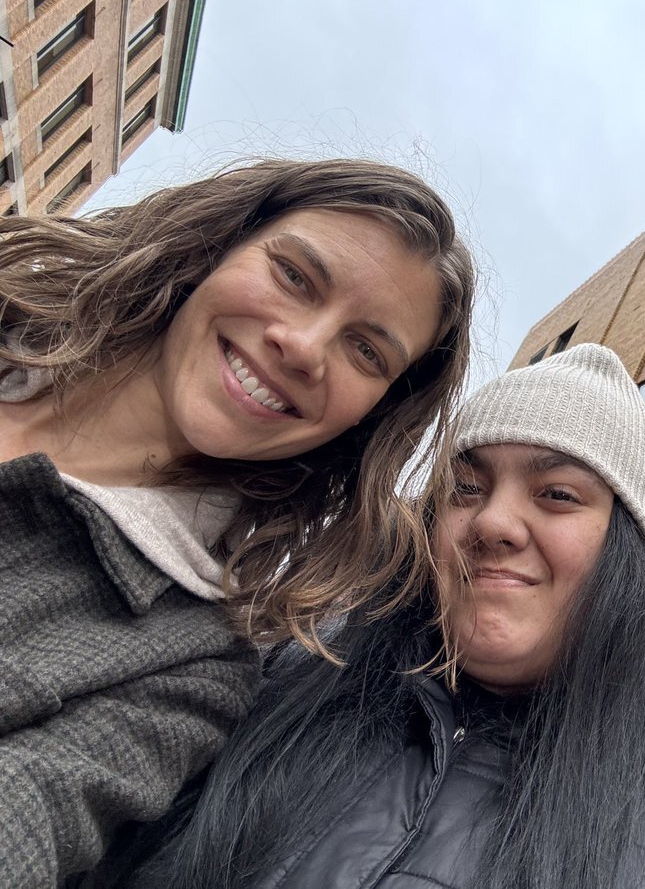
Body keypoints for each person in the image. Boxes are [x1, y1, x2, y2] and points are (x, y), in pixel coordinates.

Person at [108, 343, 645, 889]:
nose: (491, 521)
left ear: (627, 555)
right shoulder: (276, 684)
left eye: (556, 493)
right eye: (465, 487)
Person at [0, 158, 476, 886]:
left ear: (371, 416)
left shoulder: (191, 663)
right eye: (295, 276)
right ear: (219, 242)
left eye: (366, 350)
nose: (304, 347)